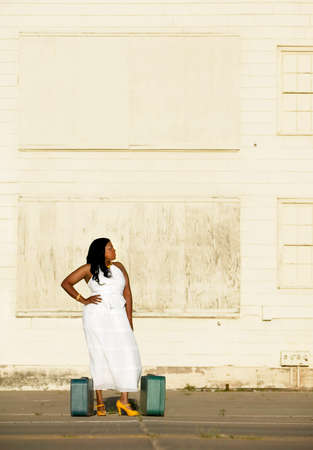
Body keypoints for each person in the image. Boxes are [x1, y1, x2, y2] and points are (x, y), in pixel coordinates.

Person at [61, 237, 142, 416]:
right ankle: (100, 402)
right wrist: (83, 300)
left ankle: (123, 401)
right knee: (100, 353)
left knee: (127, 353)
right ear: (100, 251)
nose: (114, 250)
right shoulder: (88, 268)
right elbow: (66, 283)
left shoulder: (119, 267)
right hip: (96, 315)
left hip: (118, 315)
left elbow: (127, 293)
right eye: (110, 248)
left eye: (113, 247)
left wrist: (129, 320)